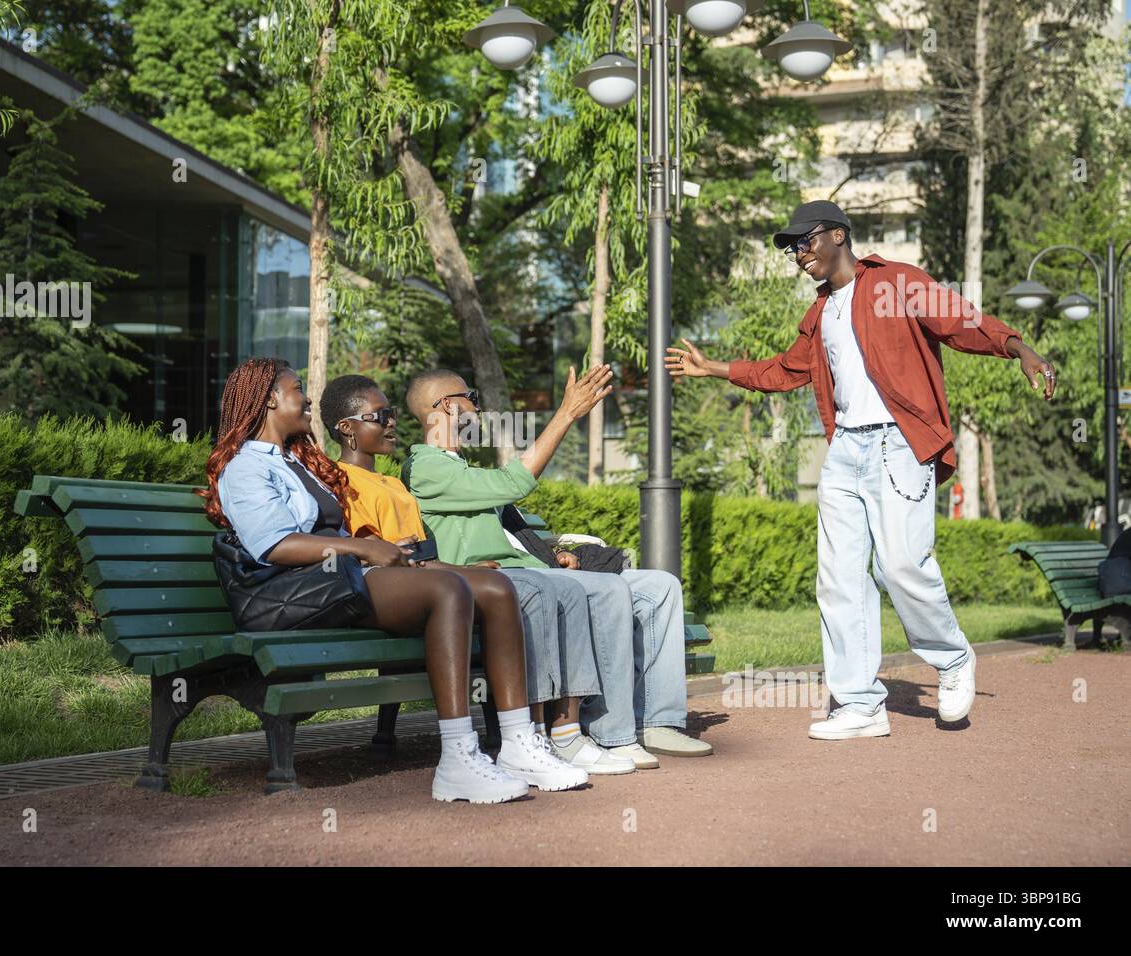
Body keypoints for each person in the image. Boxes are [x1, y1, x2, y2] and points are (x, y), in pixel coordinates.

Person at [666, 199, 1058, 739]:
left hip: (901, 445)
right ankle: (858, 704)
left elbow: (962, 322)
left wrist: (1019, 348)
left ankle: (951, 658)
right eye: (791, 249)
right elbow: (786, 369)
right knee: (840, 579)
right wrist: (715, 368)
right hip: (845, 452)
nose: (798, 255)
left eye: (804, 243)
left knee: (900, 565)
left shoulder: (897, 282)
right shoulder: (820, 311)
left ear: (836, 236)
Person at [200, 358, 586, 802]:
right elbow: (275, 546)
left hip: (336, 580)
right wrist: (365, 548)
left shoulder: (299, 464)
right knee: (448, 590)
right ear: (268, 400)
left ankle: (519, 743)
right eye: (296, 389)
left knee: (495, 588)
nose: (307, 397)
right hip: (287, 594)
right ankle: (458, 756)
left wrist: (419, 560)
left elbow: (340, 538)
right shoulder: (247, 466)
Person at [402, 365, 710, 770]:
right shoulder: (426, 466)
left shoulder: (460, 466)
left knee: (660, 587)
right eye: (470, 396)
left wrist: (549, 549)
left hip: (531, 568)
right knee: (605, 590)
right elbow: (515, 482)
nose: (477, 404)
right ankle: (611, 733)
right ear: (445, 405)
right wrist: (565, 414)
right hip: (493, 581)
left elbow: (501, 521)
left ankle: (656, 722)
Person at [320, 373, 603, 777]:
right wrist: (453, 570)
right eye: (380, 415)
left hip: (423, 579)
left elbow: (417, 551)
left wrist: (456, 568)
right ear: (347, 429)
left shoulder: (392, 482)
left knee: (503, 584)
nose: (392, 423)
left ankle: (524, 737)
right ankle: (512, 738)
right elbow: (380, 554)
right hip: (387, 590)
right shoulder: (348, 480)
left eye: (392, 414)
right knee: (510, 587)